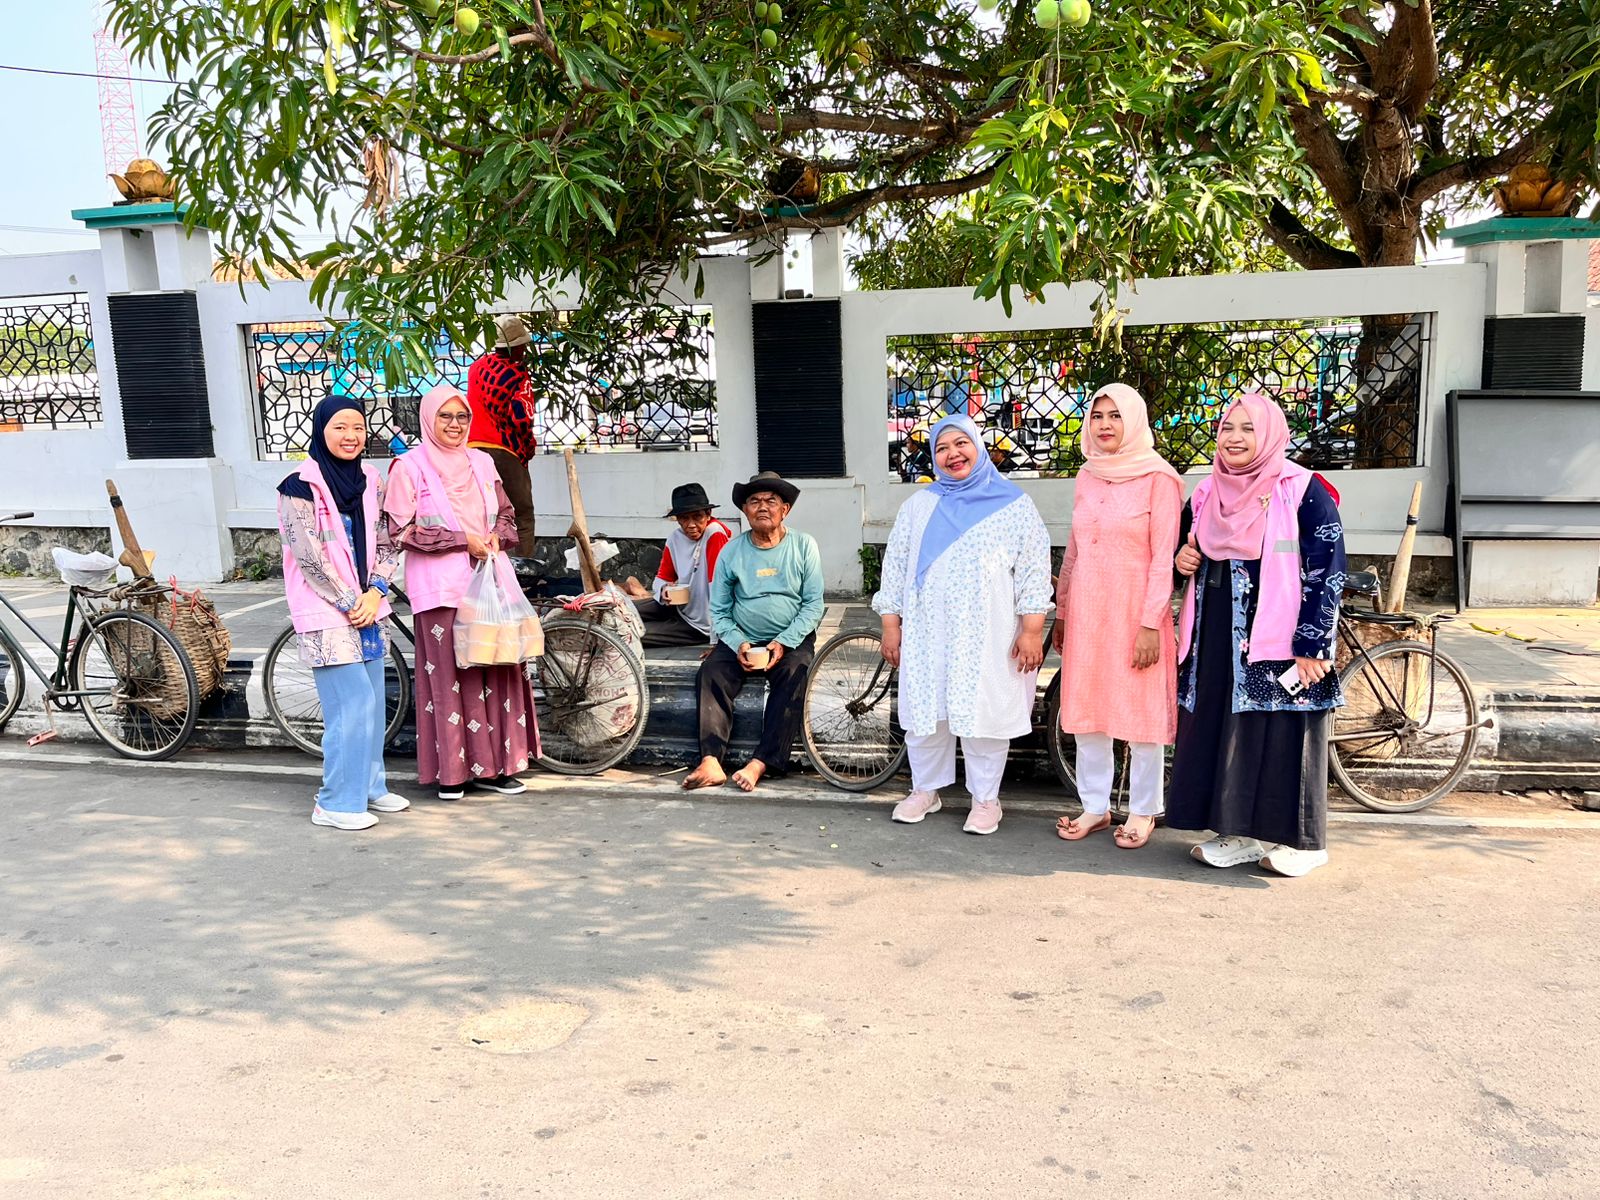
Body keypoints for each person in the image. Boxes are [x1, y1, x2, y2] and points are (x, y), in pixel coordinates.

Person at [1167, 392, 1348, 878]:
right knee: (1228, 729)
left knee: (1289, 730)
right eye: (1228, 427)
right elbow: (1179, 554)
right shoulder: (1206, 493)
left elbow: (1327, 567)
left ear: (1269, 435)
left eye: (1248, 429)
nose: (1235, 438)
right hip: (1215, 635)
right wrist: (1181, 560)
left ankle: (1305, 842)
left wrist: (1313, 643)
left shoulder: (1302, 489)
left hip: (1281, 635)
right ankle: (1238, 832)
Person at [872, 415, 1053, 835]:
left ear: (978, 446)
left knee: (983, 711)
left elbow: (1033, 570)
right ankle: (925, 790)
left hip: (987, 632)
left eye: (961, 443)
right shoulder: (918, 506)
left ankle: (986, 799)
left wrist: (1031, 630)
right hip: (928, 629)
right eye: (941, 448)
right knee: (927, 710)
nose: (952, 454)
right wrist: (891, 624)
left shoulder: (1014, 506)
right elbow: (895, 567)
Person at [384, 384, 537, 802]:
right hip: (441, 589)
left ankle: (498, 767)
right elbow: (399, 531)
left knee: (497, 668)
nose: (455, 424)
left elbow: (507, 513)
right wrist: (460, 540)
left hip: (488, 581)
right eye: (445, 416)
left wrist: (496, 537)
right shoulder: (408, 467)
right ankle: (453, 774)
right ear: (428, 419)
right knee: (452, 678)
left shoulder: (482, 462)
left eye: (462, 416)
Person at [1054, 384, 1184, 849]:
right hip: (1088, 613)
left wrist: (1150, 624)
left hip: (1135, 614)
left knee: (1140, 714)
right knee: (1089, 712)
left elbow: (1162, 558)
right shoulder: (1087, 475)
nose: (1105, 424)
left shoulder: (1159, 478)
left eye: (1115, 415)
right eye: (1097, 415)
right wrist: (1063, 611)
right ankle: (1095, 806)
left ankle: (1143, 810)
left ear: (1134, 421)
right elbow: (1074, 551)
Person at [277, 397, 406, 831]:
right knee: (351, 704)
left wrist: (376, 591)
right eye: (339, 427)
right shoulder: (298, 487)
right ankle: (334, 802)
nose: (351, 436)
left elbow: (388, 542)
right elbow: (309, 557)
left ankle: (369, 786)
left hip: (368, 606)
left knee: (372, 704)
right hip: (327, 610)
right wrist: (353, 601)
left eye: (357, 427)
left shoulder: (371, 480)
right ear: (320, 431)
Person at [683, 472, 823, 794]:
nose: (762, 506)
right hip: (742, 636)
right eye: (754, 501)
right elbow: (719, 610)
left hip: (791, 637)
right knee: (711, 673)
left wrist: (783, 642)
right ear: (745, 510)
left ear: (785, 510)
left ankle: (761, 762)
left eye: (771, 501)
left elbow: (814, 604)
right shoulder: (731, 551)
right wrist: (738, 643)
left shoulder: (804, 545)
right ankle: (711, 761)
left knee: (795, 674)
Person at [623, 482, 734, 647]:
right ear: (677, 519)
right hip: (678, 606)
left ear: (708, 514)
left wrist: (715, 640)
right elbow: (662, 577)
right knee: (622, 610)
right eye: (684, 518)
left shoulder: (715, 534)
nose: (691, 524)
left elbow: (717, 587)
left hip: (701, 624)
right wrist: (663, 589)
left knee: (629, 635)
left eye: (697, 517)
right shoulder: (675, 538)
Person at [466, 314, 538, 557]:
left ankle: (485, 565)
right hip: (505, 451)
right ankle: (522, 568)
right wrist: (528, 448)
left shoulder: (476, 368)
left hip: (472, 448)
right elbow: (521, 418)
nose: (524, 350)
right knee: (522, 514)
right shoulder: (518, 375)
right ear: (516, 347)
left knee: (483, 513)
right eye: (522, 345)